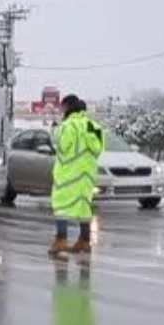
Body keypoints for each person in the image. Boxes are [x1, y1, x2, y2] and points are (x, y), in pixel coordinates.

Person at [49, 95, 105, 255]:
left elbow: (62, 146)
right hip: (86, 175)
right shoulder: (93, 125)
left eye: (62, 108)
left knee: (61, 206)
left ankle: (61, 240)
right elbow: (98, 148)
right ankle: (84, 241)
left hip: (68, 174)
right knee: (83, 207)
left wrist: (54, 131)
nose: (61, 111)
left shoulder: (68, 125)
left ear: (67, 107)